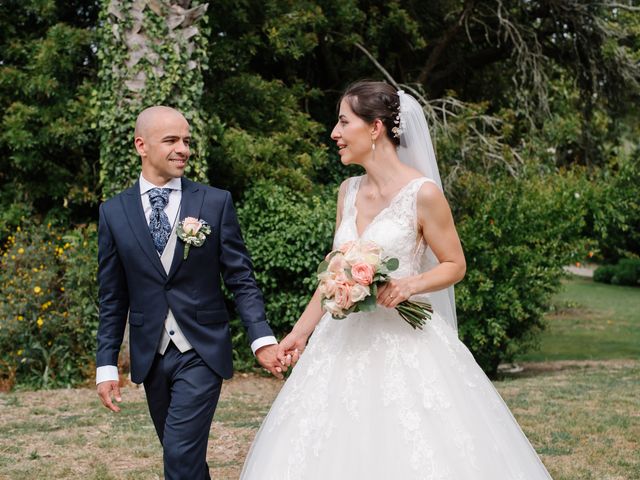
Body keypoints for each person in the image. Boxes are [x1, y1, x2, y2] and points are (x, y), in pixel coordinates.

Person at [240, 82, 553, 479]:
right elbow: (334, 275)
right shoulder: (347, 192)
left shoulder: (422, 193)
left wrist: (410, 285)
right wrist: (299, 334)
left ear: (374, 128)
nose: (334, 133)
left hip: (405, 343)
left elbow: (455, 263)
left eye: (342, 122)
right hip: (339, 344)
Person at [95, 106, 287, 480]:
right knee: (183, 456)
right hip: (151, 355)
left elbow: (240, 278)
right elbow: (113, 297)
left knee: (180, 453)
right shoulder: (113, 212)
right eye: (171, 140)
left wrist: (261, 337)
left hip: (201, 349)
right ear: (141, 145)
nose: (183, 148)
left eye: (186, 140)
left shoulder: (214, 202)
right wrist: (106, 365)